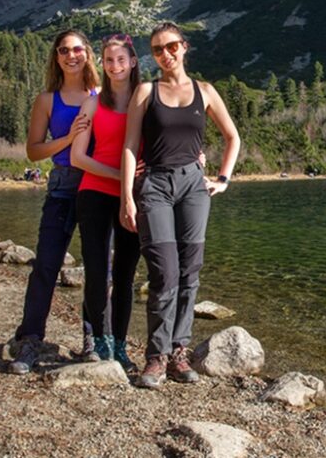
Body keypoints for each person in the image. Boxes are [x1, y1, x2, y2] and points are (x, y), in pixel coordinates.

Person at [120, 22, 240, 389]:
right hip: (154, 184)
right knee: (164, 272)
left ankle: (179, 351)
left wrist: (222, 178)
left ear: (184, 47)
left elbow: (232, 136)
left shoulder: (204, 91)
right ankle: (155, 357)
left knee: (190, 271)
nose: (165, 54)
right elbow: (129, 145)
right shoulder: (145, 91)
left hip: (193, 185)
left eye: (171, 46)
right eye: (157, 49)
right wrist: (127, 195)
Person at [7, 29, 99, 375]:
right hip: (61, 185)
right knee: (46, 264)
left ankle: (93, 339)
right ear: (56, 57)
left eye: (77, 49)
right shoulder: (47, 100)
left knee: (98, 266)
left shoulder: (101, 95)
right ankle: (30, 339)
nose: (71, 55)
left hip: (96, 185)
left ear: (87, 54)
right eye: (64, 50)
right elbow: (33, 152)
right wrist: (68, 138)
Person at [69, 33, 142, 373]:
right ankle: (100, 343)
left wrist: (195, 155)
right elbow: (78, 157)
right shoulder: (93, 103)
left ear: (133, 62)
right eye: (108, 60)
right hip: (95, 193)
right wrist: (119, 175)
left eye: (121, 60)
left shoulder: (146, 100)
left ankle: (122, 348)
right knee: (98, 272)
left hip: (133, 198)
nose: (115, 66)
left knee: (126, 275)